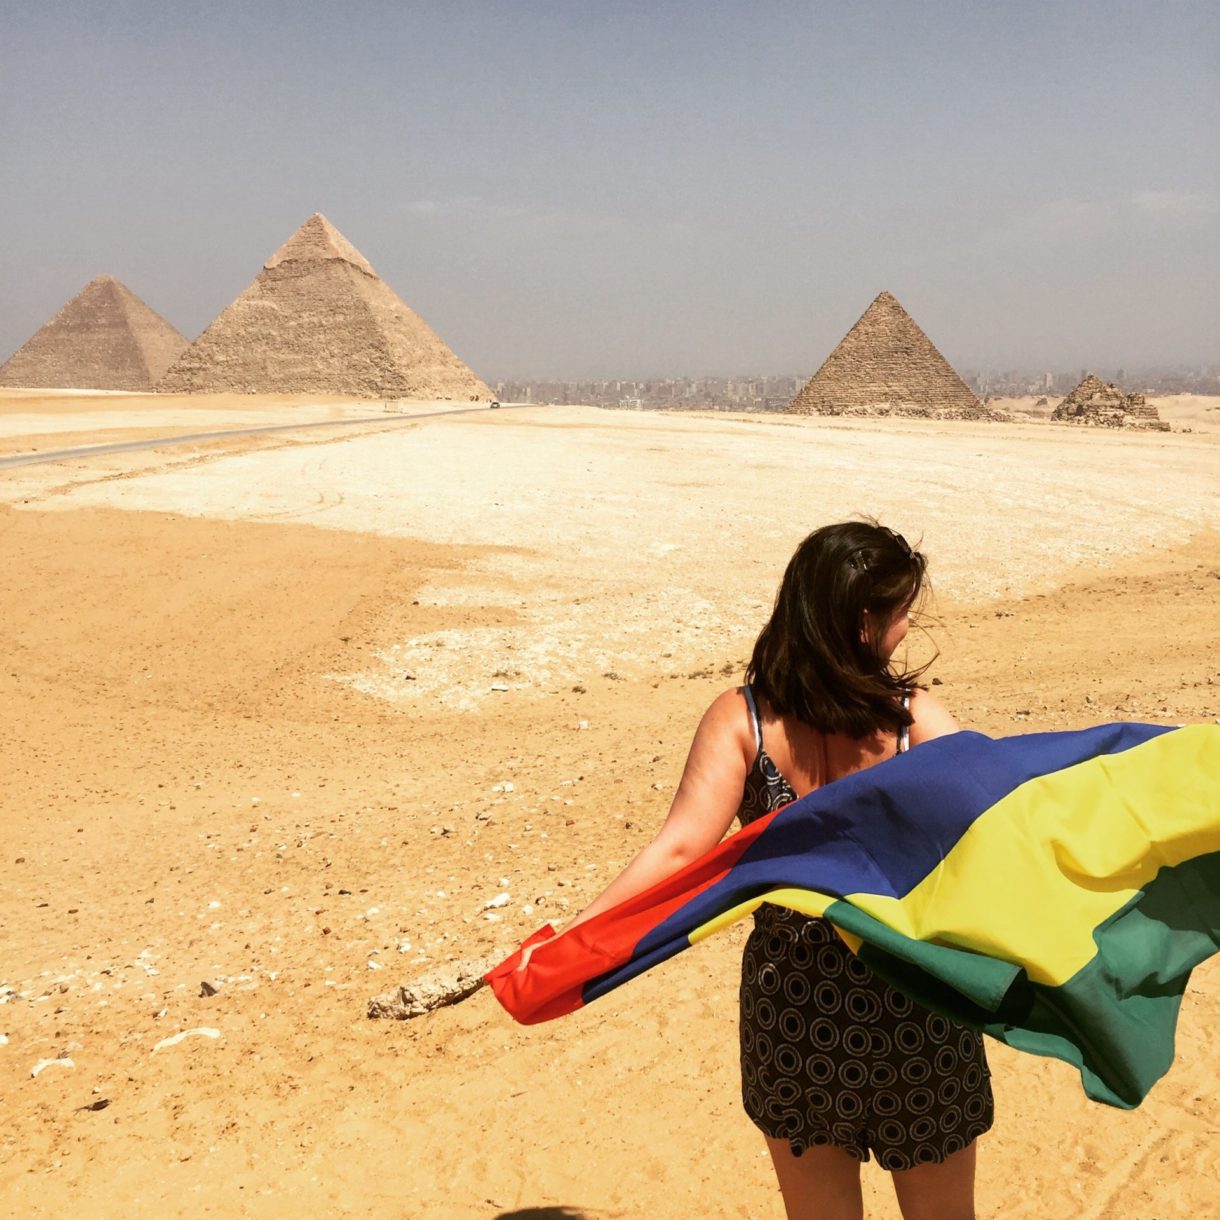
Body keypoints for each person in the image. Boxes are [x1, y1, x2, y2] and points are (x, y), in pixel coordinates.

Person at [523, 521, 992, 1220]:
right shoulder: (913, 720)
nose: (906, 628)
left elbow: (678, 850)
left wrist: (572, 941)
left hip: (797, 1015)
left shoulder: (740, 719)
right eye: (898, 612)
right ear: (862, 624)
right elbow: (991, 836)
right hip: (916, 1010)